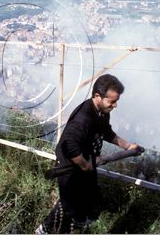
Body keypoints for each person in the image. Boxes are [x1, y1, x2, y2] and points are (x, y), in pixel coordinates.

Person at [36, 74, 141, 234]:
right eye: (112, 101)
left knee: (89, 192)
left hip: (88, 162)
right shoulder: (83, 119)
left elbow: (106, 131)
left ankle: (78, 221)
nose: (115, 105)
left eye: (116, 100)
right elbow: (69, 146)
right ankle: (45, 230)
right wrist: (85, 165)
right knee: (68, 204)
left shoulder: (102, 111)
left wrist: (127, 146)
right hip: (70, 165)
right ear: (97, 96)